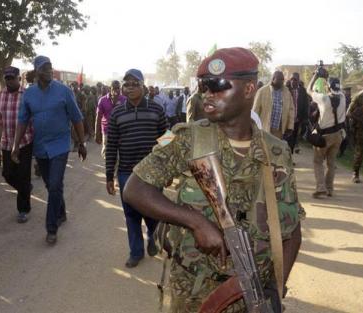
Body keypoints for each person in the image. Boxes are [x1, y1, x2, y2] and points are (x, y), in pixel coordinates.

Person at [122, 47, 305, 312]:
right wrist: (195, 222)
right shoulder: (181, 137)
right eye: (203, 87)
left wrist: (277, 290)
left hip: (254, 292)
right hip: (192, 290)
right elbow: (134, 189)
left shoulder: (277, 151)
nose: (207, 95)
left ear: (249, 89)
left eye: (219, 86)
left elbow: (292, 232)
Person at [12, 55, 87, 245]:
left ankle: (51, 228)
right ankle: (60, 212)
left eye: (50, 67)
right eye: (44, 68)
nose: (48, 71)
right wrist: (15, 146)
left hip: (60, 145)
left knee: (54, 184)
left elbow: (76, 118)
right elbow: (22, 121)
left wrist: (81, 143)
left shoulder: (64, 91)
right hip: (40, 147)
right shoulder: (29, 94)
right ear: (36, 72)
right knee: (50, 185)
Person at [105, 69, 168, 267]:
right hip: (126, 172)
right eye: (127, 84)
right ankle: (136, 252)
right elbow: (112, 145)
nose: (130, 87)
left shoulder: (156, 109)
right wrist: (109, 176)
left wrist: (167, 171)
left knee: (152, 211)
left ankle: (153, 237)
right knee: (131, 213)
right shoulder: (117, 113)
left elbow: (166, 141)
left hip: (153, 173)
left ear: (143, 86)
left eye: (135, 83)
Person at [0, 66, 34, 223]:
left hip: (24, 143)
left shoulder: (27, 95)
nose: (9, 81)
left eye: (11, 78)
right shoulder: (0, 96)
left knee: (23, 175)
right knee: (7, 174)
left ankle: (23, 209)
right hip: (7, 143)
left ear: (18, 79)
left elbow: (34, 118)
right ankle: (25, 188)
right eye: (6, 78)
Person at [307, 73, 346, 198]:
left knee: (318, 161)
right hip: (338, 134)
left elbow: (309, 90)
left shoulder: (323, 98)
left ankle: (321, 187)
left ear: (328, 87)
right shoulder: (343, 97)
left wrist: (316, 76)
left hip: (324, 136)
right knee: (331, 163)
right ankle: (329, 189)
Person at [253, 70, 294, 139]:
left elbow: (291, 110)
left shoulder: (287, 92)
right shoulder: (262, 91)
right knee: (264, 148)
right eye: (280, 79)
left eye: (283, 79)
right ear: (273, 79)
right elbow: (255, 110)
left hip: (279, 130)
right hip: (265, 128)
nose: (282, 81)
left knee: (276, 148)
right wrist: (253, 127)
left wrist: (290, 126)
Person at [95, 80, 126, 158]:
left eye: (118, 88)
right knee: (107, 154)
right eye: (114, 88)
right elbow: (98, 117)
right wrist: (97, 133)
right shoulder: (102, 100)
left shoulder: (124, 100)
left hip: (121, 132)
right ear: (110, 88)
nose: (117, 90)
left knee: (121, 154)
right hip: (107, 131)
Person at [286, 72, 310, 154]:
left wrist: (305, 119)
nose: (293, 81)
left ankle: (290, 156)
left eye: (295, 79)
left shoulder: (302, 91)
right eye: (291, 79)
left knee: (294, 139)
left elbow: (306, 105)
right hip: (287, 119)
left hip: (297, 120)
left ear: (298, 81)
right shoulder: (286, 89)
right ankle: (286, 157)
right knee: (286, 139)